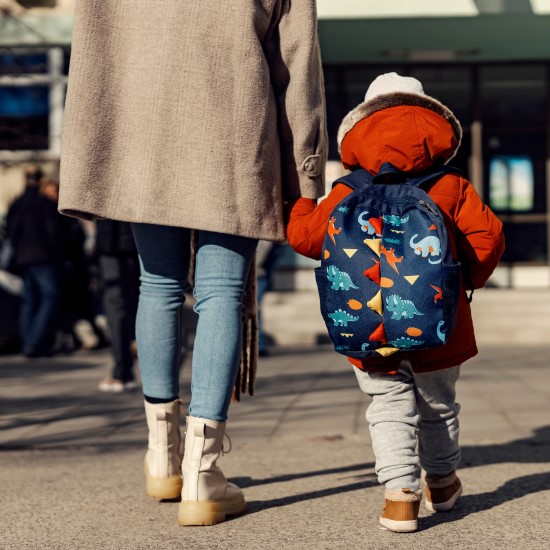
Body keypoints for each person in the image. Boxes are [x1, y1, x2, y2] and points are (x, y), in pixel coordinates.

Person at [59, 1, 326, 526]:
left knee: (155, 284)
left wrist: (94, 147)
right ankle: (202, 475)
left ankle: (163, 457)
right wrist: (307, 169)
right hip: (234, 131)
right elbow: (298, 63)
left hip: (141, 138)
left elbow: (93, 53)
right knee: (221, 293)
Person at [286, 73, 505, 533]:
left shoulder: (348, 189)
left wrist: (302, 204)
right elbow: (488, 240)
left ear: (359, 131)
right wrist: (467, 282)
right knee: (438, 404)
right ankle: (442, 485)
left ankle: (400, 499)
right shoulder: (451, 185)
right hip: (440, 318)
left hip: (368, 324)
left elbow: (305, 238)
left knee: (387, 406)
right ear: (434, 127)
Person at [5, 166, 65, 357]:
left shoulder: (17, 203)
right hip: (44, 257)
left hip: (23, 258)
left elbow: (10, 232)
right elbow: (54, 230)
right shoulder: (44, 204)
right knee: (49, 297)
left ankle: (28, 342)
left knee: (29, 301)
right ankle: (34, 341)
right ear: (40, 180)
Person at [94, 220, 140, 393]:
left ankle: (122, 370)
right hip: (142, 235)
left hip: (114, 241)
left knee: (116, 303)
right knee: (150, 296)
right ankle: (161, 381)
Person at [255, 240, 287, 356]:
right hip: (274, 241)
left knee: (253, 302)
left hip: (266, 244)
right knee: (254, 302)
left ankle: (258, 344)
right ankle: (259, 343)